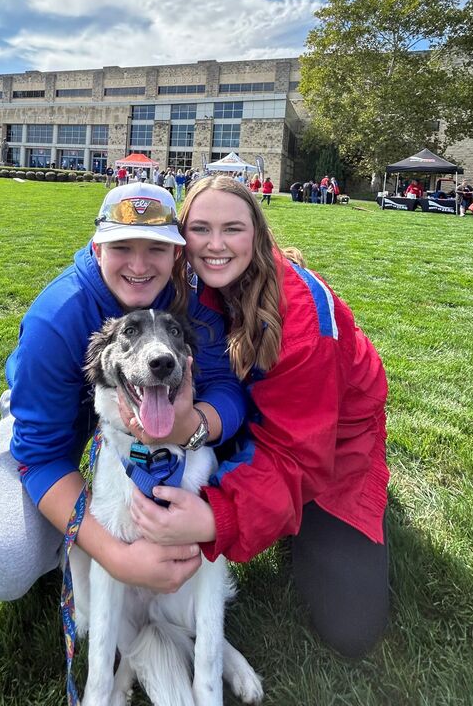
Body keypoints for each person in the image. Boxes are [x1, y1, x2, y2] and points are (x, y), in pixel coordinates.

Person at [131, 175, 390, 660]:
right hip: (246, 424)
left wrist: (216, 517)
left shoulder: (306, 320)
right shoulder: (188, 279)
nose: (215, 245)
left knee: (351, 628)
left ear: (258, 232)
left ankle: (332, 513)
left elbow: (299, 450)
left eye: (233, 228)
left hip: (333, 450)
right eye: (200, 229)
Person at [0, 182, 246, 603]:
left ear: (176, 254)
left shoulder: (191, 301)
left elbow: (227, 386)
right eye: (121, 247)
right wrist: (114, 555)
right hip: (53, 418)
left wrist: (192, 425)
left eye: (155, 248)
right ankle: (18, 445)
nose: (138, 265)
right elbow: (43, 454)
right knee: (7, 567)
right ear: (97, 248)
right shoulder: (56, 316)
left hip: (155, 413)